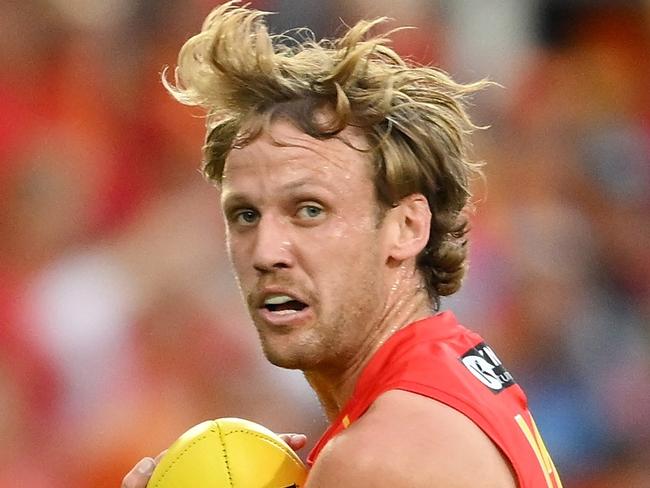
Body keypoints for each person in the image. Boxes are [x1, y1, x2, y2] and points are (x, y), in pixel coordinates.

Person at [123, 2, 563, 487]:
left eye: (310, 210)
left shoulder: (376, 458)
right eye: (245, 215)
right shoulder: (453, 371)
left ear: (407, 227)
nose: (267, 251)